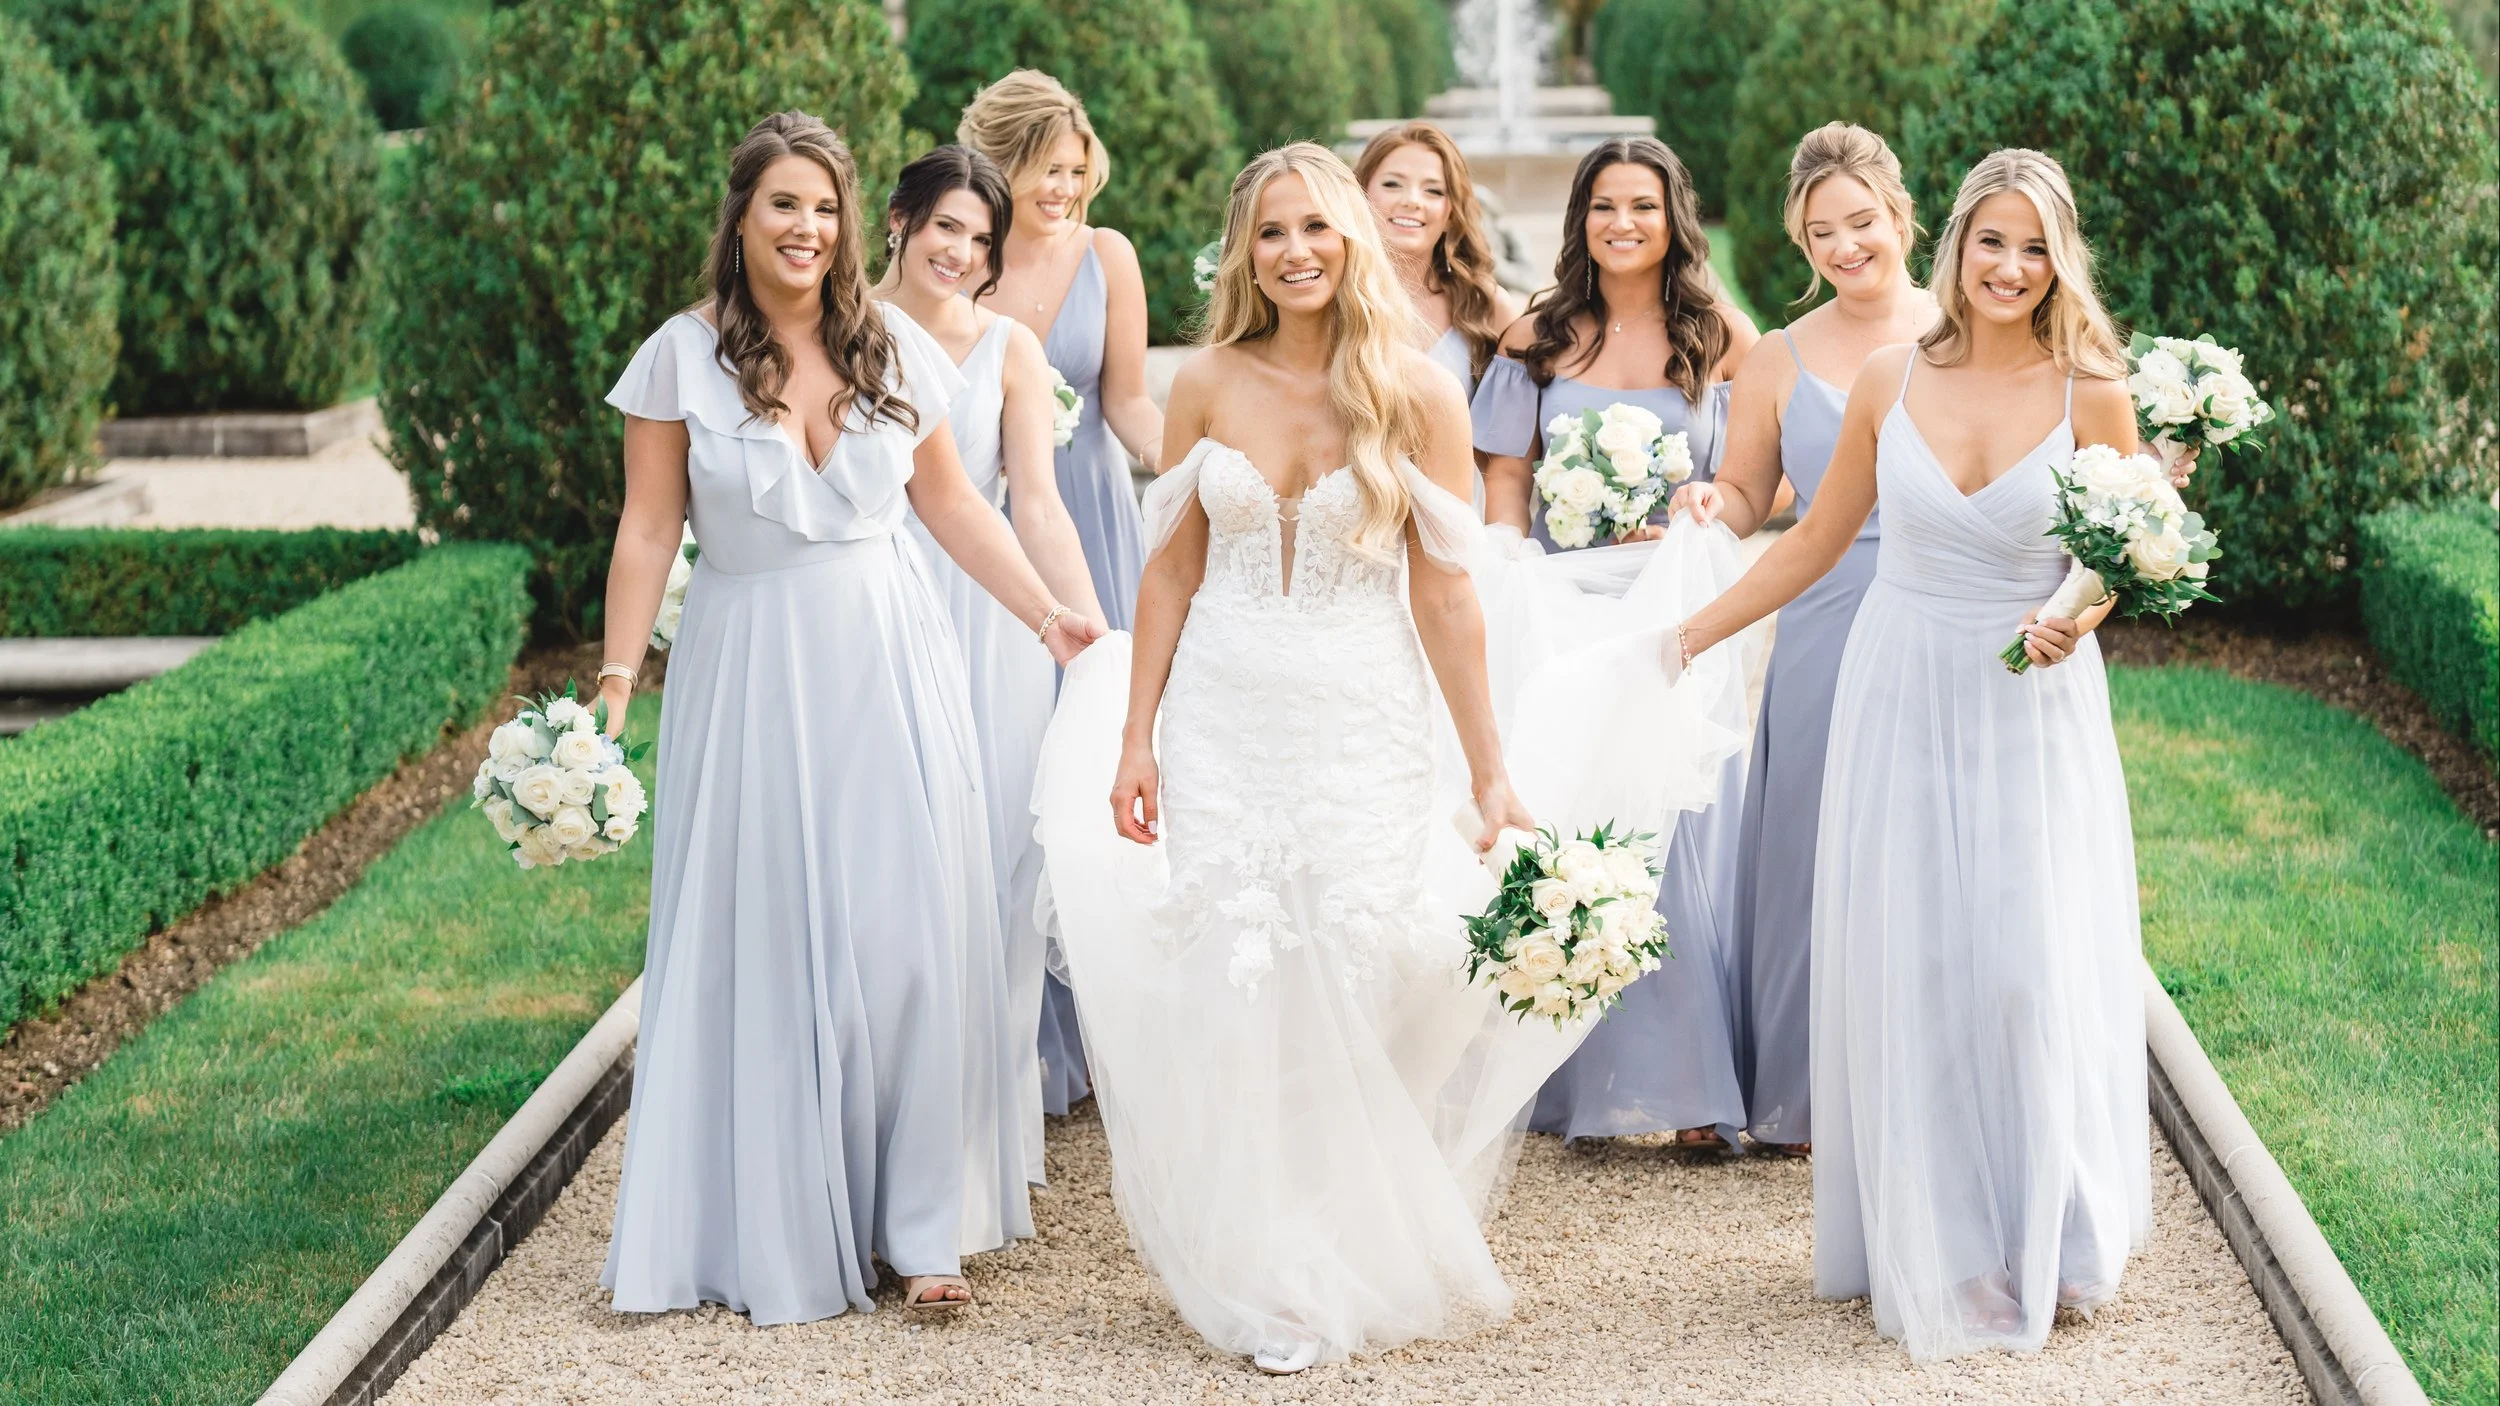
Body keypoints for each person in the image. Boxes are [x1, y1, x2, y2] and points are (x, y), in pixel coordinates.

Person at [1030, 143, 1750, 1375]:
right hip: (1223, 717)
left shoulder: (1416, 391)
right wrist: (1137, 731)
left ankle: (1329, 1231)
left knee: (1360, 969)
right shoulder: (1204, 383)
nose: (1295, 251)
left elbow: (1448, 593)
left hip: (1364, 716)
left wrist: (1487, 772)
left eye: (1315, 225)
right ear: (1244, 252)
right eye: (1270, 233)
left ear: (1352, 235)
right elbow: (1170, 568)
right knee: (1235, 973)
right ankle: (1262, 1259)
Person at [592, 112, 1099, 1323]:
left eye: (824, 208)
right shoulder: (679, 356)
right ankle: (770, 1218)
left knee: (910, 939)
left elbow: (954, 509)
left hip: (889, 654)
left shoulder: (892, 351)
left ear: (850, 223)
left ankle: (920, 1227)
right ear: (741, 218)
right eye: (782, 205)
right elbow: (649, 527)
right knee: (768, 941)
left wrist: (1049, 617)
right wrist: (614, 685)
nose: (806, 229)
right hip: (751, 667)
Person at [1673, 148, 2152, 1359]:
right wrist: (1686, 632)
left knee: (2022, 960)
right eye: (1992, 240)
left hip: (2028, 707)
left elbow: (2123, 547)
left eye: (2035, 247)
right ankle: (1937, 1239)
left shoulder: (2091, 388)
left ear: (2061, 260)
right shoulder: (1890, 379)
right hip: (1899, 687)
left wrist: (2077, 610)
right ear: (1955, 242)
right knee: (1923, 958)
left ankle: (2046, 1228)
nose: (2009, 266)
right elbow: (1816, 538)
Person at [1472, 136, 1761, 1149]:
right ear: (1580, 219)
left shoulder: (1721, 333)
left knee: (1670, 819)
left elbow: (1764, 478)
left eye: (1641, 205)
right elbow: (1506, 467)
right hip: (1562, 597)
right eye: (1603, 205)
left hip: (1669, 602)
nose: (1622, 223)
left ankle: (1687, 1084)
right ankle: (1565, 1078)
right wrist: (1506, 547)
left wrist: (1710, 498)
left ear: (1673, 216)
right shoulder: (1537, 334)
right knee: (1569, 810)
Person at [1667, 122, 1936, 1156]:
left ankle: (1923, 1079)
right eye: (1821, 232)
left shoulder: (1966, 325)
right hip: (1825, 614)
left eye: (1861, 222)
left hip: (1940, 603)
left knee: (1927, 840)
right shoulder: (1778, 356)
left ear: (1901, 215)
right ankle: (1809, 1090)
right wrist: (1708, 505)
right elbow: (1750, 490)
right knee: (1815, 848)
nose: (1844, 246)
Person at [874, 144, 1105, 1191]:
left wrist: (1089, 633)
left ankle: (981, 1157)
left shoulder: (1010, 347)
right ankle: (880, 1134)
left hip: (995, 617)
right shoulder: (843, 332)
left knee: (1002, 883)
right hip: (877, 611)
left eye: (980, 238)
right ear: (897, 223)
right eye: (945, 229)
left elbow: (1036, 504)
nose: (961, 254)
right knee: (897, 872)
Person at [956, 69, 1164, 1114]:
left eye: (1080, 170)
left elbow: (1126, 398)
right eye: (1049, 169)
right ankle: (1014, 1030)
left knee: (1102, 755)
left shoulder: (1108, 255)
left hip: (1094, 521)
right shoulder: (959, 255)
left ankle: (1108, 1025)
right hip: (985, 525)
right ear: (1002, 161)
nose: (1067, 189)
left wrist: (1194, 477)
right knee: (1005, 763)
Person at [1352, 120, 1519, 401]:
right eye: (1393, 184)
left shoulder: (1487, 306)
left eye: (1433, 190)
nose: (1412, 200)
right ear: (1361, 194)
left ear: (1450, 213)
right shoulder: (1329, 299)